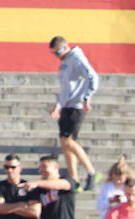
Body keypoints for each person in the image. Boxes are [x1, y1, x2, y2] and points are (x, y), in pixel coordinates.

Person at [49, 36, 99, 189]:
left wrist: (86, 97)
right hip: (67, 106)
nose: (56, 56)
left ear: (64, 48)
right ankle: (74, 178)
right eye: (53, 54)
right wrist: (58, 106)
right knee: (65, 144)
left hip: (76, 106)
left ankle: (91, 171)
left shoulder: (77, 58)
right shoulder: (65, 63)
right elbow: (66, 88)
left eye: (57, 52)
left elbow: (93, 77)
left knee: (68, 141)